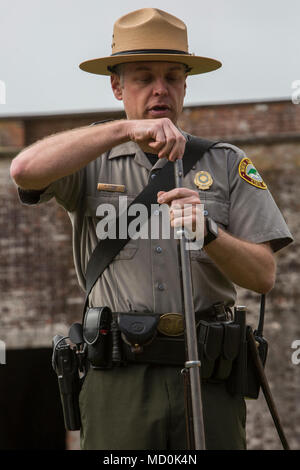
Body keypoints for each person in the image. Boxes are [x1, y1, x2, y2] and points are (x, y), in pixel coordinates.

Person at [10, 8, 293, 450]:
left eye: (172, 76)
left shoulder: (226, 162)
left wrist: (210, 234)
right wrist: (123, 129)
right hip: (119, 379)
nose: (160, 89)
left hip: (209, 377)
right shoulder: (91, 162)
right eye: (143, 77)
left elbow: (263, 276)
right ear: (116, 85)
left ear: (185, 84)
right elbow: (24, 170)